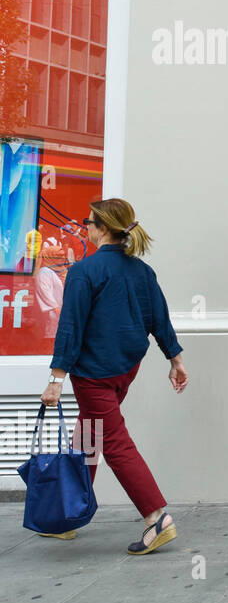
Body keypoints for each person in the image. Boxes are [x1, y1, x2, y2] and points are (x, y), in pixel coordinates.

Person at [40, 198, 189, 554]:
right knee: (88, 434)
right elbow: (159, 319)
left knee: (114, 443)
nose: (85, 227)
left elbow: (71, 327)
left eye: (88, 222)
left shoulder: (85, 271)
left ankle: (156, 517)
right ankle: (68, 516)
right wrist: (175, 359)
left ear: (103, 228)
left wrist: (56, 379)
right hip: (125, 368)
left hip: (93, 374)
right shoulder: (141, 271)